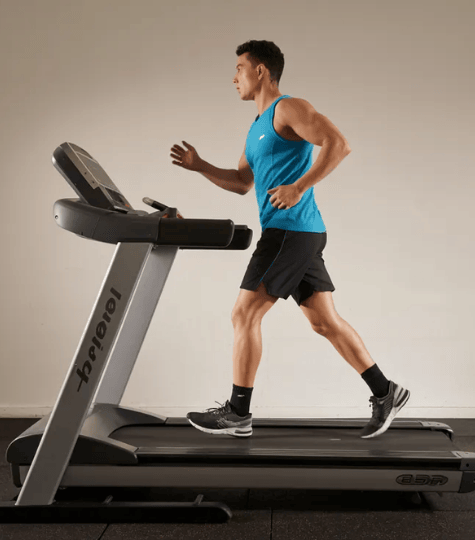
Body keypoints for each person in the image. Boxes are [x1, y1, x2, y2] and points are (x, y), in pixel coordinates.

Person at [169, 40, 408, 439]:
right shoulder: (256, 127)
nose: (234, 77)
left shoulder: (288, 108)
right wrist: (200, 166)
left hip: (290, 231)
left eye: (240, 68)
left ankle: (238, 413)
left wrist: (298, 186)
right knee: (324, 322)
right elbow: (243, 182)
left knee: (244, 315)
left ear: (260, 71)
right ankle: (387, 392)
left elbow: (338, 144)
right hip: (300, 232)